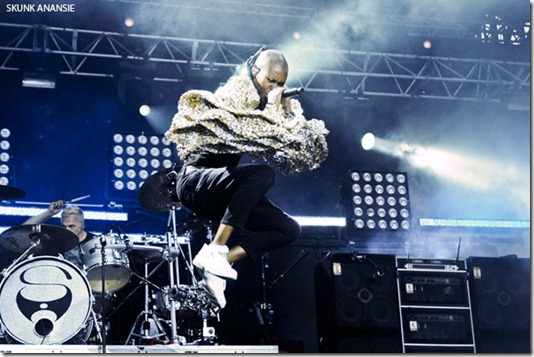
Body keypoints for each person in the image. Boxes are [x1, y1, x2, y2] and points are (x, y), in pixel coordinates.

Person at [165, 47, 329, 309]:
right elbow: (253, 130)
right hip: (196, 180)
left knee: (288, 228)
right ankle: (216, 250)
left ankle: (220, 263)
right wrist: (276, 115)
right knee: (261, 174)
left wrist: (288, 116)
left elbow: (291, 157)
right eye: (270, 80)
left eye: (281, 83)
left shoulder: (269, 105)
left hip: (224, 191)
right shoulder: (238, 90)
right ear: (255, 71)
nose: (274, 87)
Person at [23, 200, 96, 269]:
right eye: (64, 226)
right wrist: (49, 212)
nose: (67, 230)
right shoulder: (57, 241)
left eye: (71, 226)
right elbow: (24, 229)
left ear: (82, 224)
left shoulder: (94, 241)